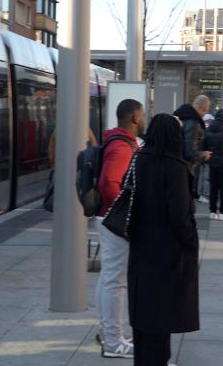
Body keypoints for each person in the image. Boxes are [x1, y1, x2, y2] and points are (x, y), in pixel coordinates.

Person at [128, 113, 199, 365]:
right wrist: (191, 242)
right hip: (167, 252)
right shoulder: (175, 166)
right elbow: (179, 215)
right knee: (163, 312)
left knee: (144, 311)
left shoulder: (138, 160)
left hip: (141, 246)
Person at [95, 99, 145, 358]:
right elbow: (109, 183)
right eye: (143, 113)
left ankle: (108, 333)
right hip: (113, 221)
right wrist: (122, 214)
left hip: (106, 218)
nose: (145, 118)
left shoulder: (115, 141)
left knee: (108, 278)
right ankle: (114, 343)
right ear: (135, 117)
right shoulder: (123, 147)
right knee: (116, 281)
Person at [173, 95, 212, 198]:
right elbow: (190, 152)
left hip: (175, 164)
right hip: (185, 169)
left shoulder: (181, 115)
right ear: (203, 109)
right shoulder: (193, 122)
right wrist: (204, 155)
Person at [201, 110, 223, 221]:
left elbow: (204, 145)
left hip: (212, 162)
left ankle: (212, 211)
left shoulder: (209, 129)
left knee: (213, 188)